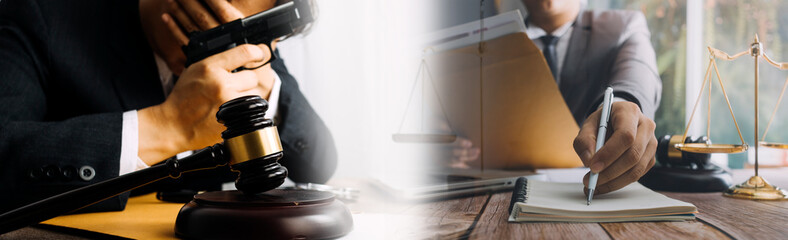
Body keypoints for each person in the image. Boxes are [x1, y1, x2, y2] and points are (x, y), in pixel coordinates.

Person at [0, 0, 337, 213]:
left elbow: (320, 164)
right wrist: (166, 125)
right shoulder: (41, 15)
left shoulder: (250, 47)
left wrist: (270, 89)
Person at [453, 0, 661, 195]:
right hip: (500, 191)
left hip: (589, 186)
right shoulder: (485, 45)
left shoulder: (622, 26)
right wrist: (445, 144)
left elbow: (637, 75)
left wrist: (620, 105)